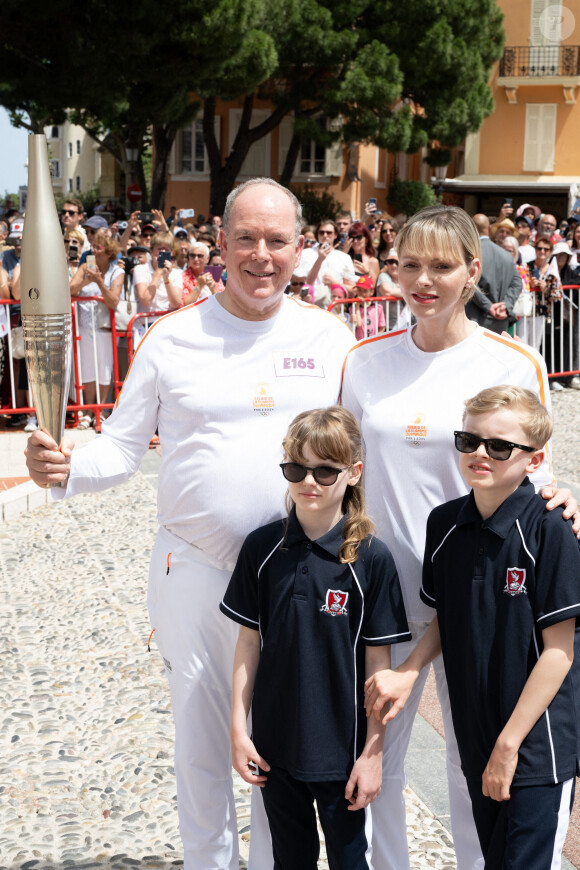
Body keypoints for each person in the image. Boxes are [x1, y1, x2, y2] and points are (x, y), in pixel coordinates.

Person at [25, 177, 356, 870]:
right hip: (195, 572)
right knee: (203, 745)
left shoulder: (330, 339)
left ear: (301, 249)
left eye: (277, 241)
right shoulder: (172, 339)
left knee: (283, 750)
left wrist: (536, 484)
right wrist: (62, 468)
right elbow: (119, 448)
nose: (261, 256)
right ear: (219, 244)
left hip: (297, 578)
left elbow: (370, 446)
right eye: (246, 239)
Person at [340, 204, 579, 870]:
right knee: (373, 757)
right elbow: (346, 476)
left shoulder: (513, 359)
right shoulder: (363, 362)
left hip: (480, 601)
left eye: (442, 265)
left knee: (471, 762)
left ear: (473, 271)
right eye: (409, 264)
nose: (424, 280)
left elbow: (536, 470)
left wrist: (565, 498)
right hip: (385, 598)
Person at [366, 385, 580, 870]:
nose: (480, 454)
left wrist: (508, 747)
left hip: (536, 745)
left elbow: (559, 653)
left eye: (499, 446)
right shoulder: (444, 525)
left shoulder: (550, 528)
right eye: (469, 440)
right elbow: (452, 614)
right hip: (475, 733)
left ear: (534, 458)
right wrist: (410, 667)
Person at [222, 406, 410, 870]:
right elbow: (248, 645)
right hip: (274, 748)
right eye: (296, 468)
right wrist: (237, 728)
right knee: (290, 860)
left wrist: (372, 753)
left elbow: (377, 669)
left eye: (325, 471)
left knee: (350, 861)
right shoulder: (261, 549)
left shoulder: (370, 558)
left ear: (353, 473)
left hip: (340, 754)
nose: (309, 482)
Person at [70, 231, 124, 428]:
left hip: (105, 327)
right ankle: (87, 410)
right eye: (94, 244)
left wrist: (100, 282)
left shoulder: (117, 272)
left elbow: (113, 301)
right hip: (84, 326)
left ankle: (101, 410)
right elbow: (71, 289)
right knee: (87, 368)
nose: (94, 247)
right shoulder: (86, 266)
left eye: (100, 245)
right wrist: (88, 280)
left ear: (109, 251)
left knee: (104, 369)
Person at [465, 213, 522, 334]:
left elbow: (468, 283)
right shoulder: (506, 255)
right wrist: (505, 305)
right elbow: (517, 283)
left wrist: (489, 306)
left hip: (474, 321)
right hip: (499, 322)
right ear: (490, 229)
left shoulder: (469, 254)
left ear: (470, 229)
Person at [299, 219, 356, 307]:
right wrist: (320, 259)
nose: (325, 235)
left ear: (335, 235)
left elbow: (353, 291)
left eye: (329, 233)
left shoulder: (344, 257)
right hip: (310, 308)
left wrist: (335, 283)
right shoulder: (305, 254)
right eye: (322, 232)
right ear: (317, 234)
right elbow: (305, 284)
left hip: (334, 310)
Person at [344, 222, 380, 287]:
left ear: (366, 239)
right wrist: (343, 253)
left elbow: (372, 288)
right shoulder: (345, 258)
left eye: (359, 237)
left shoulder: (372, 261)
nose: (355, 241)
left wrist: (366, 273)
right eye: (352, 237)